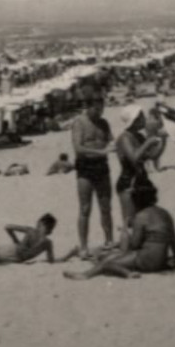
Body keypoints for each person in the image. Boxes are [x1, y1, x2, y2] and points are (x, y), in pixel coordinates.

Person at [64, 185, 175, 279]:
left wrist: (125, 231)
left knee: (108, 263)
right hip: (161, 261)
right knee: (110, 258)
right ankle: (101, 269)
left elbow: (134, 245)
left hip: (145, 260)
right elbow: (174, 240)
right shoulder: (165, 213)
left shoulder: (141, 216)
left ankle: (87, 275)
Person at [69, 95, 115, 258]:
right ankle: (83, 246)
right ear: (88, 107)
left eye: (102, 108)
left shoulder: (103, 123)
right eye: (96, 109)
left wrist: (111, 146)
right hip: (85, 167)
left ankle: (109, 241)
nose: (99, 112)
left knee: (106, 206)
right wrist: (100, 151)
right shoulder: (79, 122)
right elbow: (78, 148)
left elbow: (111, 141)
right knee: (85, 208)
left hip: (102, 166)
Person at [115, 106, 162, 241]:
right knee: (130, 222)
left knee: (143, 220)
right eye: (141, 116)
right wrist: (148, 142)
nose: (144, 118)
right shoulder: (124, 138)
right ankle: (127, 252)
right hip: (128, 183)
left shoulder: (138, 136)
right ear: (134, 120)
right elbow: (134, 157)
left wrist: (162, 141)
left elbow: (152, 156)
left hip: (140, 181)